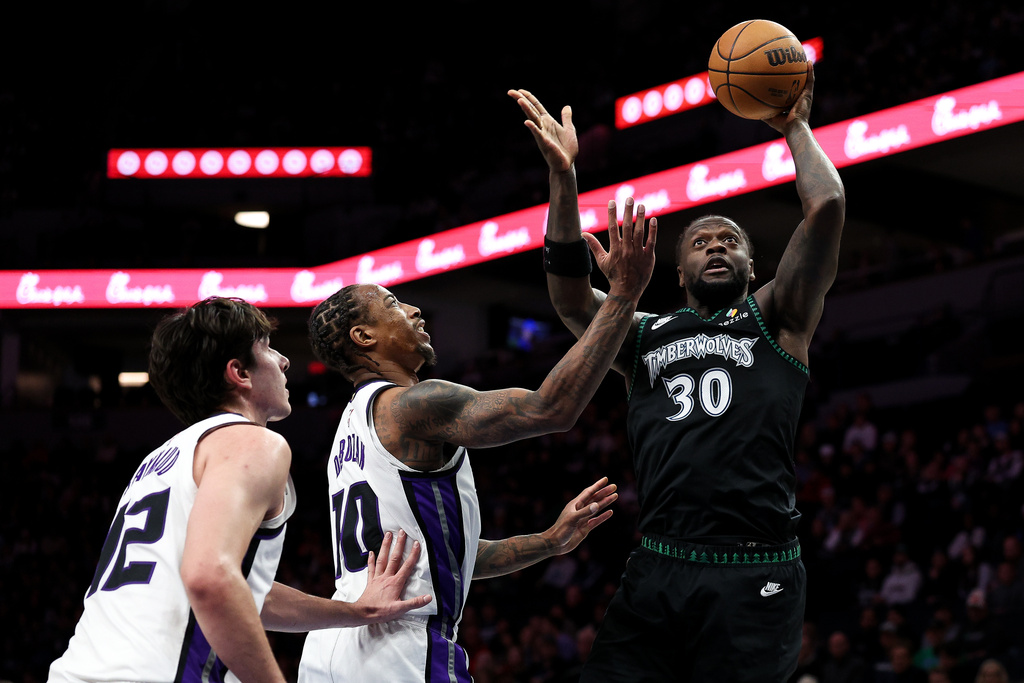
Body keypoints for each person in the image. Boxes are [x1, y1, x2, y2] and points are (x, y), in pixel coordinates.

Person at [511, 58, 845, 683]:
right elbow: (569, 300)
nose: (716, 246)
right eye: (700, 242)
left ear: (752, 267)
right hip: (658, 566)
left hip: (756, 567)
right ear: (679, 273)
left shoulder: (777, 317)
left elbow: (826, 208)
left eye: (730, 241)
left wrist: (795, 126)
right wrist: (564, 179)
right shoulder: (642, 335)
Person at [298, 197, 656, 682]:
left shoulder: (349, 429)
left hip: (334, 644)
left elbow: (441, 554)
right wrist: (622, 297)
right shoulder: (414, 404)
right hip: (399, 642)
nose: (413, 309)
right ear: (364, 337)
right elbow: (551, 408)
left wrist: (548, 542)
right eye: (392, 304)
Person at [48, 297, 431, 683]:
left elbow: (243, 591)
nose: (283, 361)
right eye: (267, 348)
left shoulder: (159, 460)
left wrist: (357, 612)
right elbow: (210, 577)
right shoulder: (253, 443)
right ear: (239, 374)